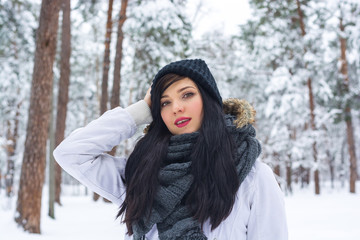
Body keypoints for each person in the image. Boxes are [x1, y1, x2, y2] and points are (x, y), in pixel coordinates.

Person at [53, 59, 288, 240]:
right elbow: (72, 153)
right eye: (164, 102)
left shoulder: (254, 178)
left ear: (209, 101)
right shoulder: (141, 174)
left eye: (187, 94)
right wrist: (139, 112)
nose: (176, 107)